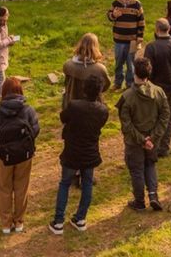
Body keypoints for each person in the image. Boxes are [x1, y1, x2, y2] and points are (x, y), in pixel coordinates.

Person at [50, 75, 109, 235]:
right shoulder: (103, 110)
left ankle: (58, 222)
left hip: (72, 151)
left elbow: (63, 118)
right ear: (99, 91)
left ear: (84, 88)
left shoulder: (74, 106)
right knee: (87, 184)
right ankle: (80, 218)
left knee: (64, 184)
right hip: (89, 152)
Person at [0, 77, 40, 234]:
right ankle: (19, 222)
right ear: (20, 91)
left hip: (3, 157)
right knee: (22, 188)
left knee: (4, 189)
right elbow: (35, 130)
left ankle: (6, 224)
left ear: (3, 92)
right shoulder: (28, 111)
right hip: (24, 156)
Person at [117, 57, 170, 211]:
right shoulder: (159, 92)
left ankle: (139, 201)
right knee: (150, 164)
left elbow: (126, 124)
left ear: (134, 72)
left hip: (134, 142)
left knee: (136, 169)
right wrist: (153, 137)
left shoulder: (127, 97)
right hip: (152, 140)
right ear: (149, 72)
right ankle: (153, 195)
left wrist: (142, 140)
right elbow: (165, 116)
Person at [144, 17, 171, 157]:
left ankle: (154, 146)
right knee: (170, 117)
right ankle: (164, 147)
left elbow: (147, 70)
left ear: (156, 30)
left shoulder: (151, 47)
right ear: (169, 29)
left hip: (156, 87)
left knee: (155, 117)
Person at [107, 0, 145, 90]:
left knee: (130, 63)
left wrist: (140, 36)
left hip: (132, 40)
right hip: (119, 39)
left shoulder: (137, 4)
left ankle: (129, 84)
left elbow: (141, 21)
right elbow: (109, 16)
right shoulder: (115, 3)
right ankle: (118, 83)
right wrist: (113, 15)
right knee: (118, 62)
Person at [62, 33, 111, 107]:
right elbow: (106, 85)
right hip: (93, 105)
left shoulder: (68, 65)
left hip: (71, 103)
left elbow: (66, 83)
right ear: (96, 47)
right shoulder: (100, 69)